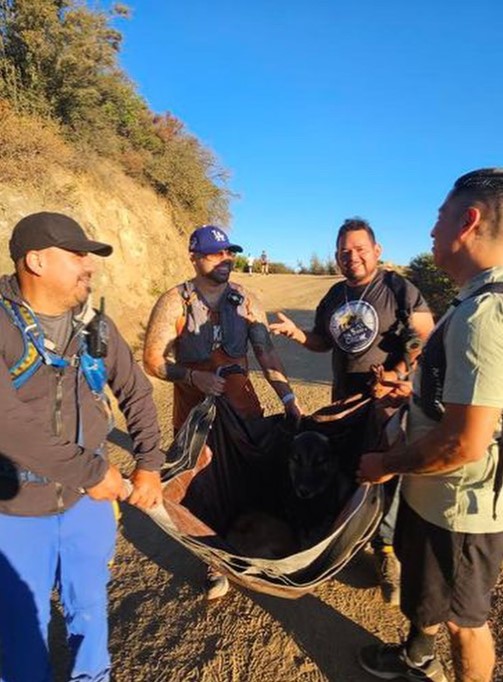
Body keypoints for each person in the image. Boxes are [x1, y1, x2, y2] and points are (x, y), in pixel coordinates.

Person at [0, 212, 164, 682]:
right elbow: (6, 424)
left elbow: (135, 390)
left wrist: (149, 464)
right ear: (35, 260)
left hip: (83, 511)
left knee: (90, 616)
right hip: (12, 513)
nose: (87, 266)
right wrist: (93, 473)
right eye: (76, 256)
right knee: (21, 635)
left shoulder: (97, 327)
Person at [357, 168, 503, 682]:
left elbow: (466, 441)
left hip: (461, 507)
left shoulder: (486, 312)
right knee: (430, 596)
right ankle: (418, 654)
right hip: (437, 498)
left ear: (468, 221)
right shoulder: (469, 301)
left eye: (440, 217)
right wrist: (412, 393)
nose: (431, 230)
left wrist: (385, 464)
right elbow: (469, 398)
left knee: (467, 623)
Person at [270, 218, 434, 604]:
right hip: (345, 402)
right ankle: (340, 537)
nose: (353, 256)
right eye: (345, 251)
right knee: (346, 465)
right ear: (337, 257)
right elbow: (323, 342)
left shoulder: (398, 288)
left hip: (387, 401)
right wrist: (298, 335)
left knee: (384, 474)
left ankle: (386, 553)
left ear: (376, 251)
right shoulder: (334, 296)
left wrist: (395, 373)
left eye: (360, 249)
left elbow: (426, 336)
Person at [143, 224, 301, 599]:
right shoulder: (174, 301)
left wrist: (288, 397)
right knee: (202, 488)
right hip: (196, 420)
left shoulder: (245, 300)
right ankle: (214, 561)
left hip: (243, 409)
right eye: (215, 253)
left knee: (250, 477)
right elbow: (152, 360)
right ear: (194, 257)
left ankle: (253, 545)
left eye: (228, 252)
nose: (225, 259)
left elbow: (265, 352)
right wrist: (191, 377)